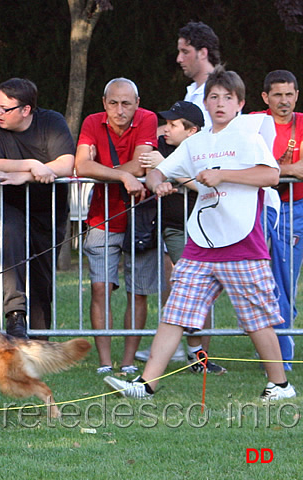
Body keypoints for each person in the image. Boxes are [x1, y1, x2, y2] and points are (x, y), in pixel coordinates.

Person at [104, 66, 296, 402]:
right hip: (201, 243)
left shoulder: (249, 137)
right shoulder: (197, 144)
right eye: (214, 97)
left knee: (257, 320)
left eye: (228, 98)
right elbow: (159, 170)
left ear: (240, 103)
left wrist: (224, 176)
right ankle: (145, 385)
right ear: (205, 103)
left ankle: (279, 385)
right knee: (174, 314)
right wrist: (158, 182)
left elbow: (270, 176)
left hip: (243, 242)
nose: (220, 103)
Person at [75, 77, 158, 375]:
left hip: (140, 217)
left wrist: (103, 171)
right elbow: (81, 167)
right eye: (113, 103)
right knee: (100, 289)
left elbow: (141, 165)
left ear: (137, 103)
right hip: (101, 217)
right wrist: (122, 176)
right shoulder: (92, 122)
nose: (120, 110)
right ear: (103, 103)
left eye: (126, 103)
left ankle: (127, 362)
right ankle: (104, 363)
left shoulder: (147, 119)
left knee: (138, 291)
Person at [136, 100, 227, 374]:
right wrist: (158, 181)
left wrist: (170, 170)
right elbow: (152, 174)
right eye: (167, 123)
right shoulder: (163, 148)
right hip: (175, 228)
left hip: (206, 229)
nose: (165, 129)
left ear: (192, 131)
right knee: (180, 286)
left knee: (202, 289)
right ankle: (177, 350)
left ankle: (198, 354)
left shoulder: (208, 149)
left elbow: (208, 187)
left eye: (173, 125)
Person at [0, 78, 75, 339]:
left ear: (26, 110)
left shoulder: (52, 121)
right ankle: (15, 315)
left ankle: (39, 343)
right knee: (10, 232)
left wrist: (28, 176)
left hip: (48, 210)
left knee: (42, 279)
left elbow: (66, 164)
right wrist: (33, 165)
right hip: (6, 203)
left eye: (5, 109)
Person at [256, 70, 303, 371]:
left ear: (297, 94)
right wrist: (284, 171)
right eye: (277, 95)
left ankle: (283, 351)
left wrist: (269, 171)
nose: (284, 101)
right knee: (261, 279)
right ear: (265, 97)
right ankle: (278, 350)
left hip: (295, 208)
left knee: (284, 279)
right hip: (259, 207)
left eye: (289, 94)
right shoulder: (254, 123)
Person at [176, 21, 220, 130]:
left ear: (203, 53)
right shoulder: (193, 90)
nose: (179, 59)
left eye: (185, 52)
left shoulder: (220, 91)